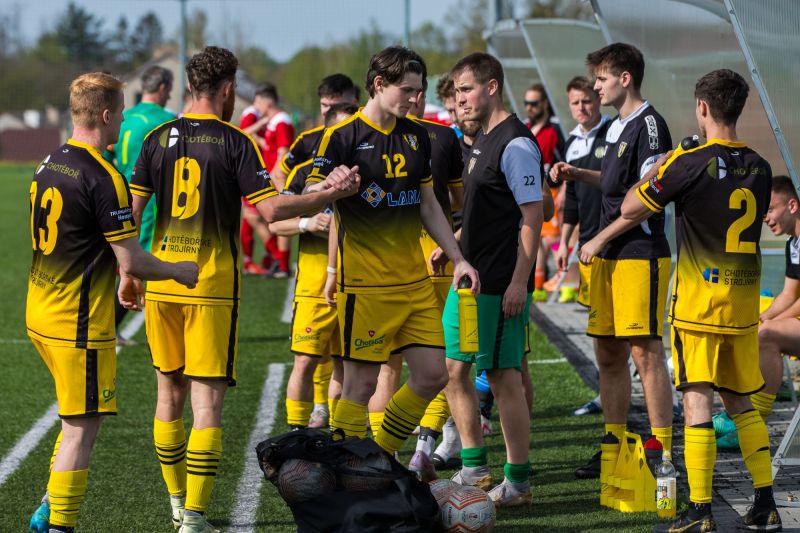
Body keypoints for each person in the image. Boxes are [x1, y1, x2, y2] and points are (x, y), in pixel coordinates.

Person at [129, 46, 359, 533]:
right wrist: (331, 194)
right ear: (229, 88)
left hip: (161, 282)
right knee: (206, 404)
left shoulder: (153, 138)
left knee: (167, 393)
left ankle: (176, 503)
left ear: (190, 85)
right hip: (209, 285)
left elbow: (128, 215)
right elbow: (273, 211)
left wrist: (130, 272)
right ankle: (192, 518)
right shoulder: (235, 141)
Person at [580, 68, 780, 532]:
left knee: (696, 403)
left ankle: (701, 510)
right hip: (743, 306)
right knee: (741, 404)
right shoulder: (761, 166)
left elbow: (632, 206)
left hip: (699, 307)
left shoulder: (688, 163)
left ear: (703, 108)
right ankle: (765, 503)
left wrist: (664, 164)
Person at [26, 72, 198, 533]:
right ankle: (59, 525)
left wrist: (121, 275)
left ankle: (47, 508)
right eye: (121, 112)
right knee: (83, 427)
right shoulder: (104, 176)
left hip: (40, 310)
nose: (124, 119)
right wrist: (179, 271)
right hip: (76, 322)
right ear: (106, 115)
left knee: (74, 416)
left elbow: (87, 241)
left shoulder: (50, 160)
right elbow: (135, 258)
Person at [313, 46, 478, 460]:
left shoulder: (416, 134)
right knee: (361, 387)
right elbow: (311, 194)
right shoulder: (343, 136)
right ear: (379, 84)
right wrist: (329, 185)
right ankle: (345, 473)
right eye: (407, 90)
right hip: (367, 289)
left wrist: (457, 256)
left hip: (416, 284)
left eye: (419, 90)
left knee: (432, 375)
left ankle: (377, 458)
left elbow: (428, 205)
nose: (414, 98)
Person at [551, 43, 674, 479]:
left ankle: (663, 450)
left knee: (645, 351)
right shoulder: (617, 126)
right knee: (607, 352)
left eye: (601, 79)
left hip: (637, 253)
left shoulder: (652, 126)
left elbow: (647, 200)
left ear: (625, 79)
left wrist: (599, 238)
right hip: (605, 255)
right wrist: (576, 173)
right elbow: (611, 182)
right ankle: (615, 445)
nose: (595, 86)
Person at [441, 52, 544, 507]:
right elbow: (488, 210)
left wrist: (520, 282)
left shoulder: (516, 143)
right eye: (457, 92)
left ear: (491, 87)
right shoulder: (482, 139)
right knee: (453, 370)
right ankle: (474, 467)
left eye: (465, 90)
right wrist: (453, 242)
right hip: (469, 278)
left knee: (503, 378)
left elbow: (531, 218)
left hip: (499, 281)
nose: (459, 99)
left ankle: (517, 482)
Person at [270, 75, 360, 427]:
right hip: (313, 282)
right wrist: (309, 223)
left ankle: (340, 429)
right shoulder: (306, 162)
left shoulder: (372, 165)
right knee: (306, 361)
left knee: (350, 365)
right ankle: (298, 430)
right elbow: (276, 219)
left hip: (360, 280)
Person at [551, 76, 611, 420]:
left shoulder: (613, 133)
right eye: (575, 102)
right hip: (588, 245)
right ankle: (605, 394)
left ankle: (658, 402)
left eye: (587, 100)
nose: (582, 108)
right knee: (598, 328)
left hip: (616, 243)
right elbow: (571, 200)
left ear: (597, 100)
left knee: (627, 335)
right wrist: (565, 241)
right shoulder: (572, 141)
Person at [108, 66, 176, 342]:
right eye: (169, 89)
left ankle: (111, 323)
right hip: (147, 198)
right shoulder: (166, 119)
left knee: (122, 259)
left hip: (116, 191)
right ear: (162, 88)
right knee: (143, 260)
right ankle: (117, 324)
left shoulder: (125, 115)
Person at [239, 82, 295, 278]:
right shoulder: (273, 121)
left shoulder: (282, 121)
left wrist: (275, 177)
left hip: (275, 180)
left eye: (258, 102)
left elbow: (283, 152)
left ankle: (282, 263)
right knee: (260, 218)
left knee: (274, 220)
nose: (256, 107)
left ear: (266, 102)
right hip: (268, 178)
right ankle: (278, 260)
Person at [524, 83, 565, 300]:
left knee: (552, 240)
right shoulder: (525, 128)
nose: (529, 107)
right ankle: (538, 284)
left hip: (553, 191)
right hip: (530, 193)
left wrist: (565, 189)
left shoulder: (555, 130)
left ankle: (565, 280)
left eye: (534, 103)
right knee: (536, 239)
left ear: (545, 104)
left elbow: (565, 161)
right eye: (527, 103)